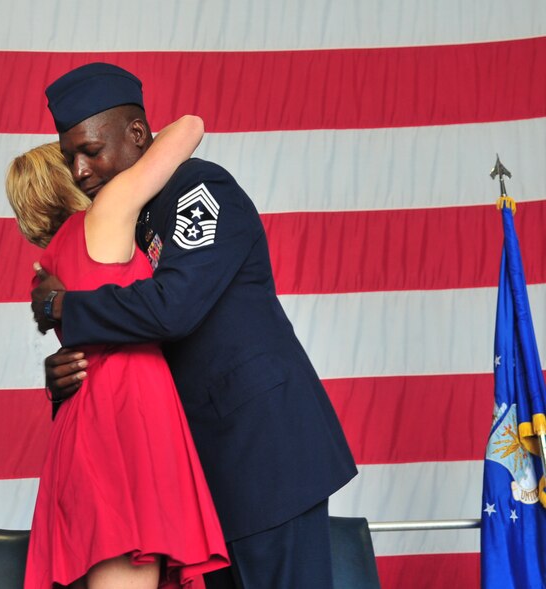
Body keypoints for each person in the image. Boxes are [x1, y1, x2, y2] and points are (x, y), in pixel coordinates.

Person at [31, 63, 358, 589]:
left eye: (90, 150)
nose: (79, 171)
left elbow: (172, 308)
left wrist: (66, 309)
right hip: (198, 481)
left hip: (264, 457)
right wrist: (68, 374)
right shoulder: (123, 223)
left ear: (137, 134)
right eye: (70, 157)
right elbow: (132, 362)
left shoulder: (198, 188)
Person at [6, 115, 229, 588]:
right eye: (74, 160)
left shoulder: (49, 264)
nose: (86, 168)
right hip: (123, 422)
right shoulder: (106, 215)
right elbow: (189, 128)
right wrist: (122, 150)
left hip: (92, 420)